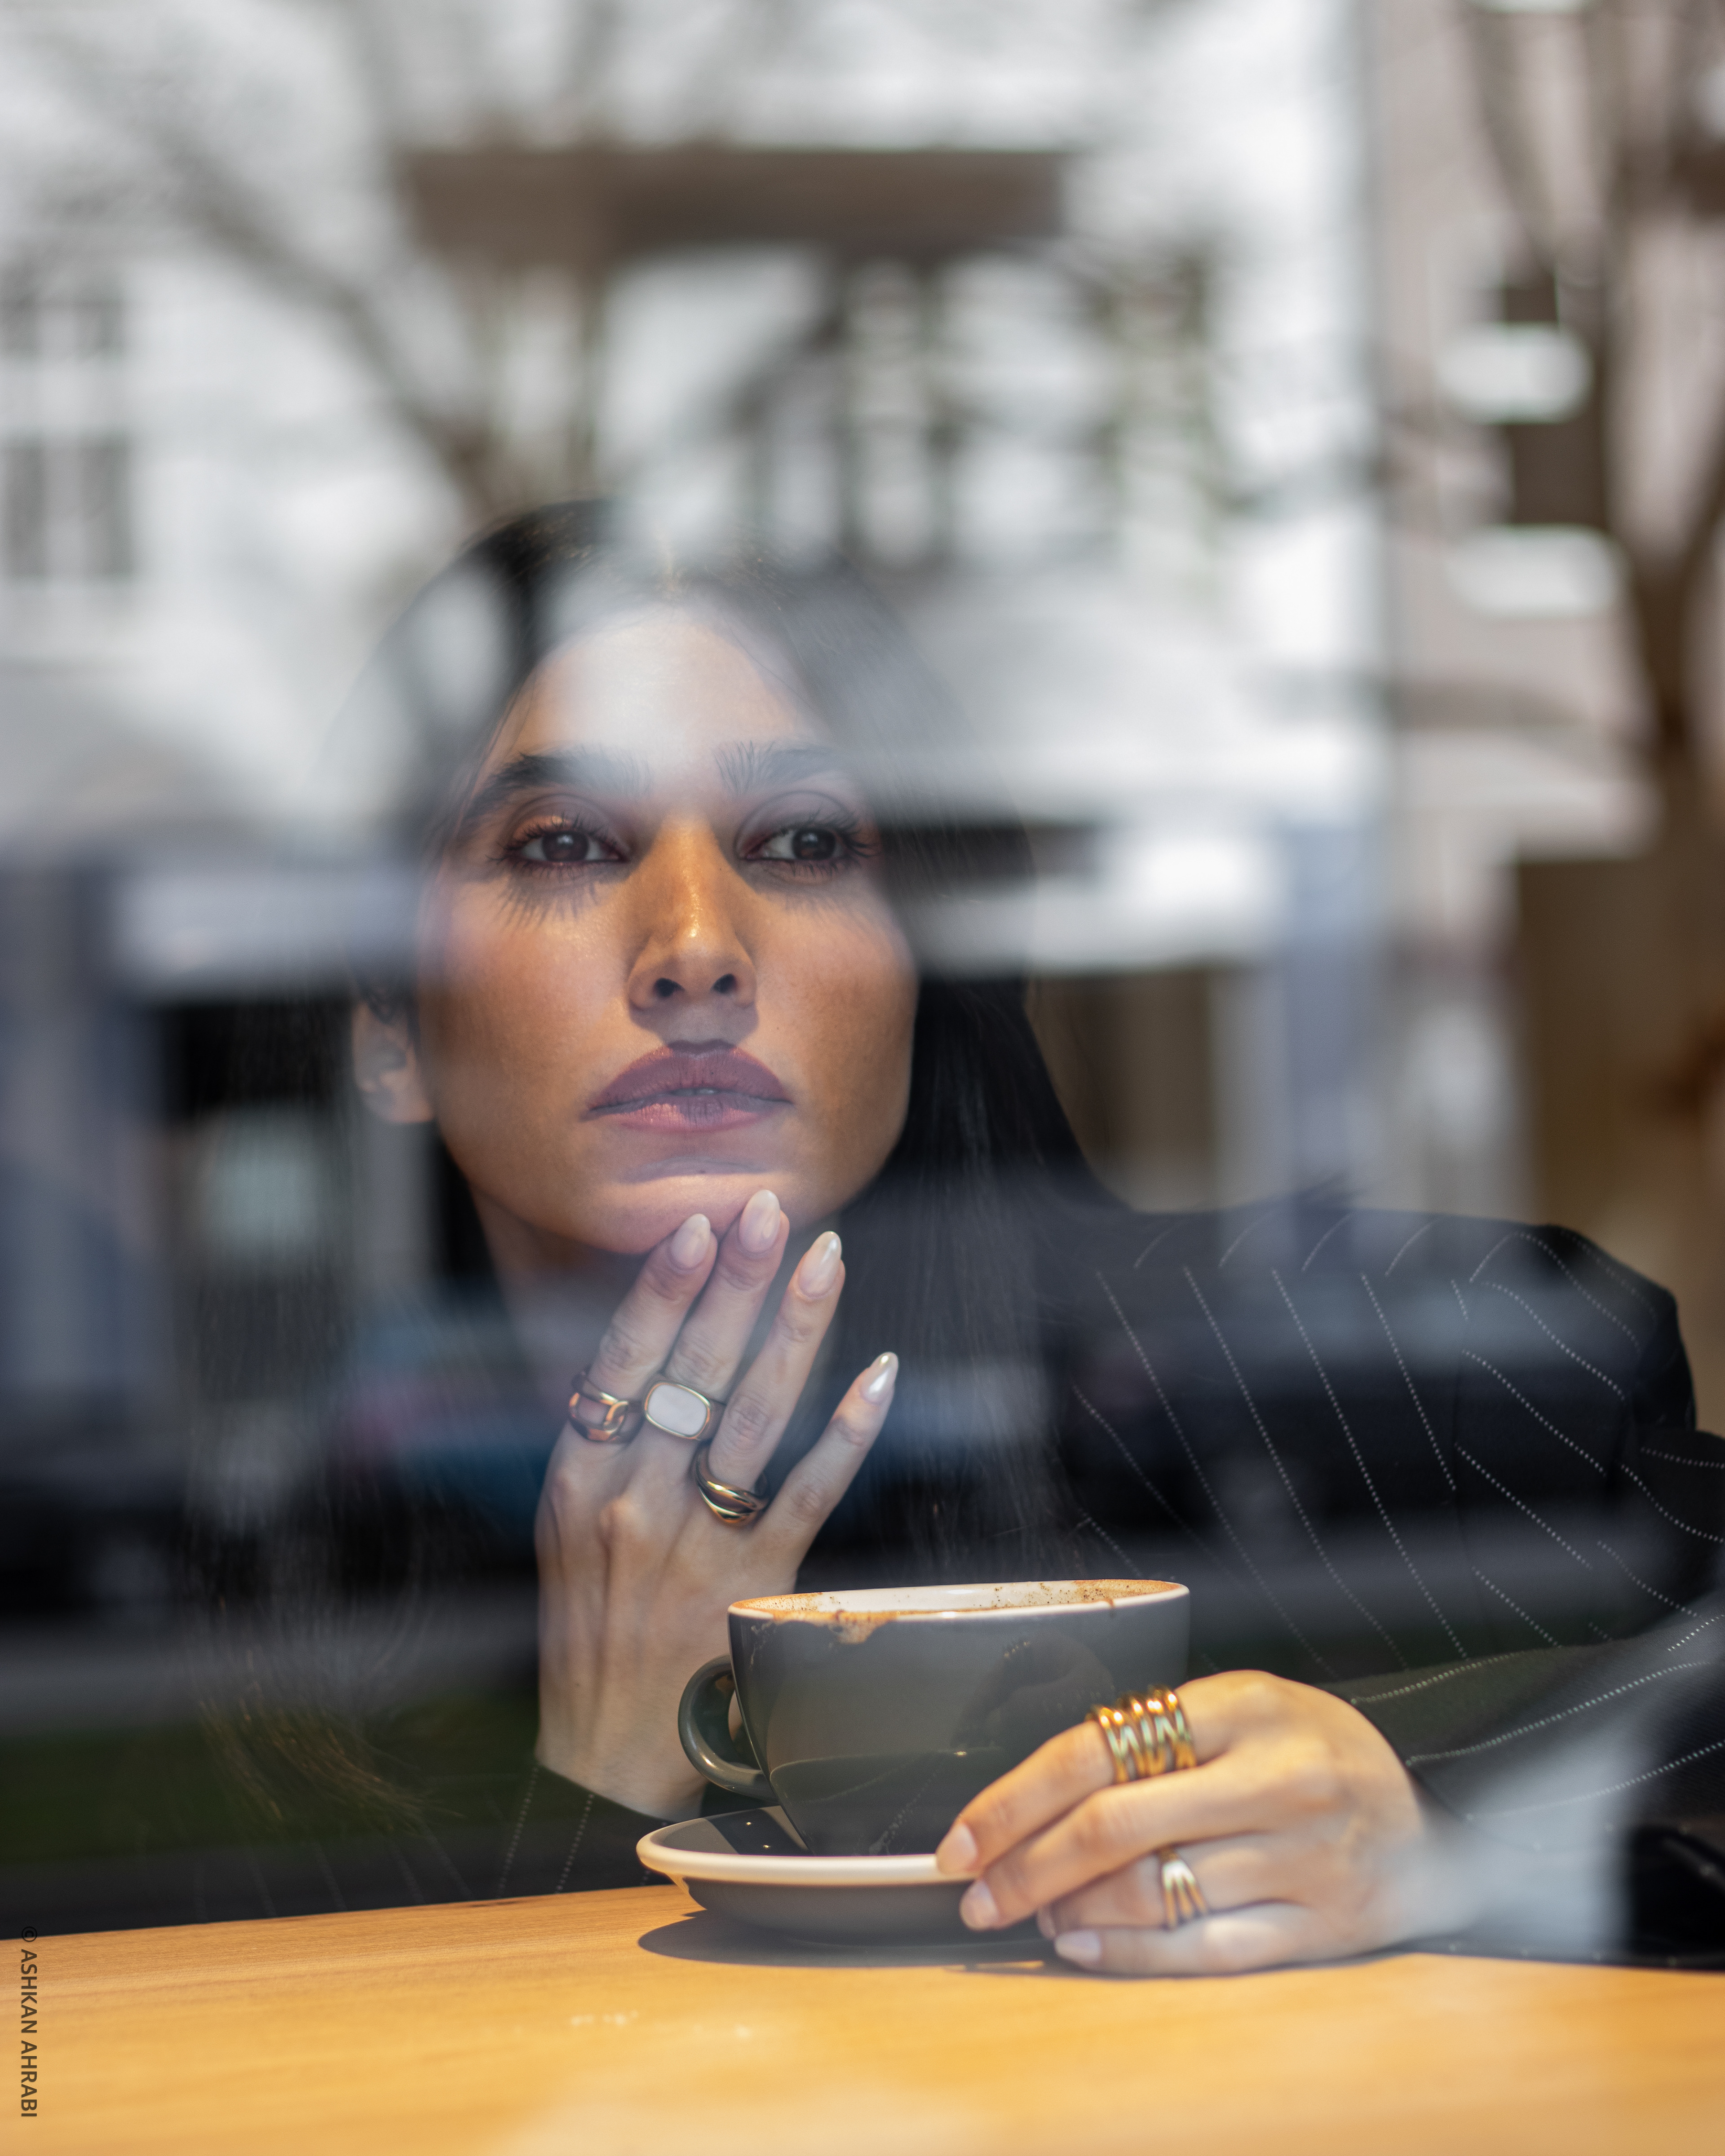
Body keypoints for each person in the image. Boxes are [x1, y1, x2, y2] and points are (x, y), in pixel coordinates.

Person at [39, 502, 1712, 1956]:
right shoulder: (226, 1647)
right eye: (562, 843)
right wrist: (615, 1763)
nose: (694, 944)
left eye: (803, 841)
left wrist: (1465, 1833)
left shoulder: (1315, 1392)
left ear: (925, 969)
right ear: (386, 1027)